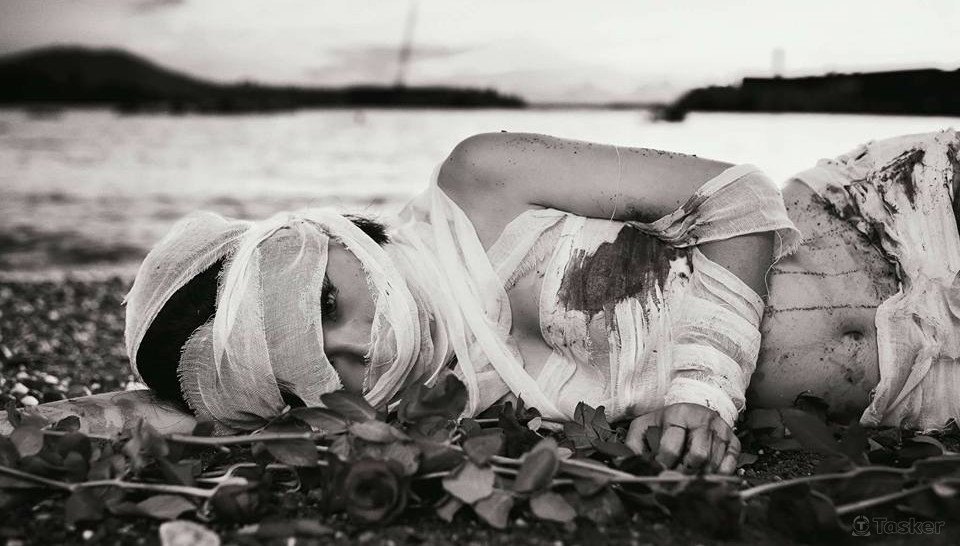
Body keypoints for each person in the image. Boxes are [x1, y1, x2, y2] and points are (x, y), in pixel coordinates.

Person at [6, 129, 959, 476]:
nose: (368, 341)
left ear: (328, 236)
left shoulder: (481, 182)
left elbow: (735, 195)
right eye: (328, 368)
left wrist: (704, 389)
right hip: (919, 397)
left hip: (911, 218)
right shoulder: (432, 405)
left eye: (329, 302)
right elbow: (204, 427)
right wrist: (68, 417)